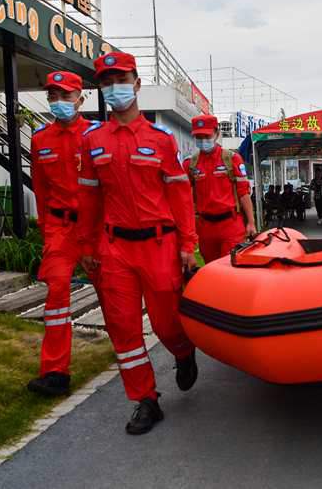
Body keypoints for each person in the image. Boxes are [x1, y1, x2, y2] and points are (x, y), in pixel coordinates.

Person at [78, 51, 199, 435]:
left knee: (166, 323)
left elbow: (180, 196)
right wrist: (86, 246)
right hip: (114, 248)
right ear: (101, 88)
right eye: (107, 82)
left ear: (136, 84)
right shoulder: (93, 140)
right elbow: (89, 200)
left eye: (121, 79)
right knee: (123, 328)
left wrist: (187, 245)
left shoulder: (161, 140)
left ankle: (183, 352)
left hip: (159, 245)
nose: (115, 88)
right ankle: (145, 399)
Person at [26, 71, 104, 397]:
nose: (58, 102)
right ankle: (55, 372)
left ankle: (128, 346)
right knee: (56, 295)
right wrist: (47, 231)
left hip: (94, 228)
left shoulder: (97, 135)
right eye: (52, 96)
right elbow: (41, 191)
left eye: (65, 96)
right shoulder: (40, 139)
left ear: (80, 100)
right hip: (59, 228)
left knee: (112, 293)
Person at [184, 115, 256, 263]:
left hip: (231, 224)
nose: (203, 140)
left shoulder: (232, 159)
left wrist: (251, 222)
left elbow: (243, 193)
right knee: (211, 270)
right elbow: (185, 198)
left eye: (206, 135)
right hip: (205, 228)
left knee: (230, 268)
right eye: (199, 136)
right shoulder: (190, 164)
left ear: (217, 133)